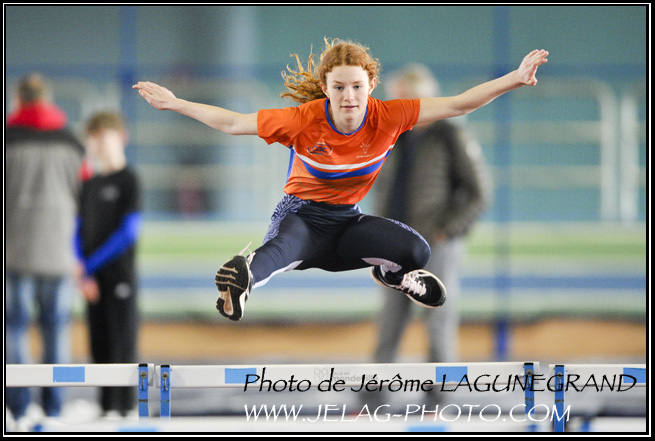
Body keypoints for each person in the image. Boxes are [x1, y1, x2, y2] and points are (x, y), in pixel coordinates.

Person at [133, 38, 548, 321]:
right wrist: (178, 103)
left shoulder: (390, 116)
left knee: (418, 251)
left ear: (371, 85)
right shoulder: (303, 120)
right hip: (301, 219)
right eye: (339, 88)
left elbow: (459, 105)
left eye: (357, 87)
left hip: (348, 226)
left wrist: (514, 78)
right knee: (274, 253)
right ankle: (238, 287)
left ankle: (393, 274)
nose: (349, 97)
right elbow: (233, 123)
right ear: (326, 88)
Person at [371, 64, 491, 395]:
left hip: (436, 245)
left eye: (400, 99)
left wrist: (446, 231)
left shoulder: (450, 134)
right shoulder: (394, 137)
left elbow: (479, 194)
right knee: (389, 320)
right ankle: (373, 394)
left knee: (438, 319)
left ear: (419, 98)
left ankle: (441, 398)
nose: (393, 106)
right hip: (394, 245)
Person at [6, 73, 84, 423]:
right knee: (56, 331)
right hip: (59, 252)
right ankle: (54, 410)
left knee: (13, 330)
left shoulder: (7, 141)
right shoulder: (71, 144)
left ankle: (17, 410)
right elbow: (83, 198)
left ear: (18, 100)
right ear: (48, 100)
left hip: (14, 253)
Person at [74, 111, 142, 418]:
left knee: (121, 344)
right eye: (94, 138)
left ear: (121, 138)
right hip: (91, 281)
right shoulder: (89, 184)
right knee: (98, 345)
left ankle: (125, 410)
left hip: (119, 277)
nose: (98, 144)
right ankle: (105, 410)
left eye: (103, 137)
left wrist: (88, 265)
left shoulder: (129, 180)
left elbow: (128, 233)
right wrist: (81, 270)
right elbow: (77, 229)